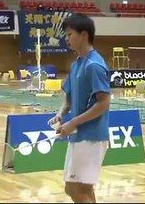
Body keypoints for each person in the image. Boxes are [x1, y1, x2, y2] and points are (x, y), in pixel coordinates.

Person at [47, 13, 111, 203]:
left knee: (76, 188)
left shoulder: (94, 65)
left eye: (69, 34)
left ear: (84, 35)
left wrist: (73, 122)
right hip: (78, 135)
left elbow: (104, 103)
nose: (66, 39)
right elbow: (69, 99)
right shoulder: (77, 64)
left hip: (91, 136)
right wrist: (60, 115)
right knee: (81, 189)